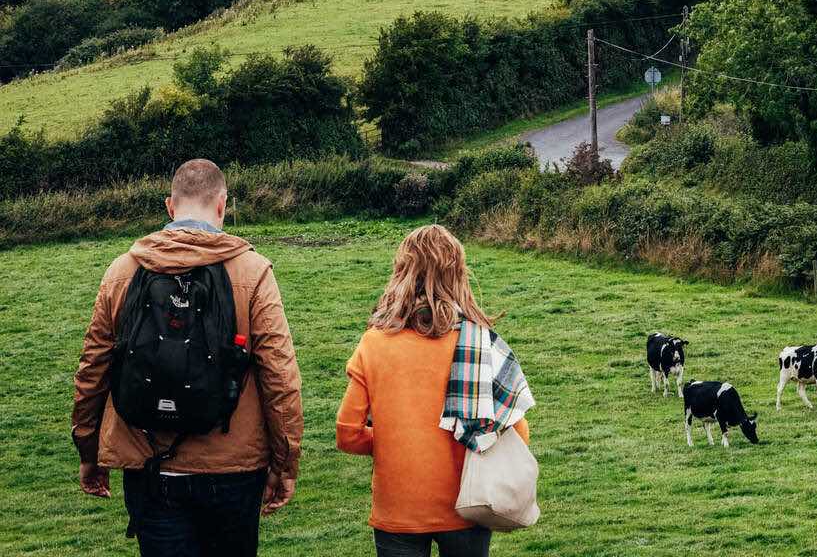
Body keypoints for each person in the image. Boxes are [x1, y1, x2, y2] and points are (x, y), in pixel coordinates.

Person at [72, 158, 304, 556]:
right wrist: (284, 465)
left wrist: (89, 451)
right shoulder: (252, 271)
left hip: (149, 466)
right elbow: (280, 378)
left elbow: (93, 369)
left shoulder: (122, 271)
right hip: (233, 467)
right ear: (222, 205)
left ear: (169, 206)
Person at [337, 224, 534, 557]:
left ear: (401, 273)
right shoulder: (480, 342)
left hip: (397, 509)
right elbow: (518, 434)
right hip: (467, 504)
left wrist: (394, 441)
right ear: (458, 275)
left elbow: (347, 433)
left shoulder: (374, 343)